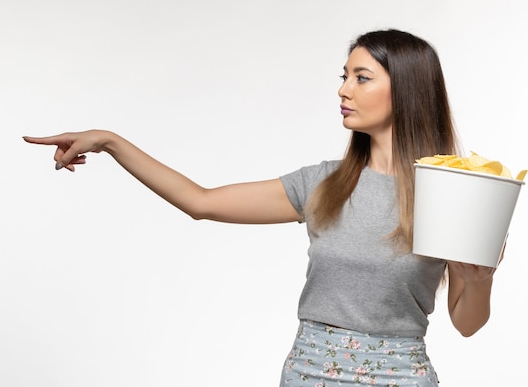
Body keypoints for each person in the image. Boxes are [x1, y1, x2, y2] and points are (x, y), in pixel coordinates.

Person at [24, 29, 499, 387]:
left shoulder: (451, 191)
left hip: (400, 376)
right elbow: (201, 202)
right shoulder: (322, 183)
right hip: (308, 371)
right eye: (344, 76)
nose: (343, 90)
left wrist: (480, 281)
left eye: (361, 77)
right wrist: (110, 141)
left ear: (407, 90)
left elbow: (467, 323)